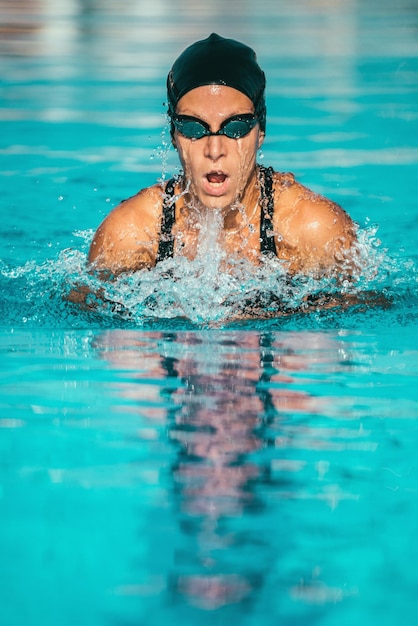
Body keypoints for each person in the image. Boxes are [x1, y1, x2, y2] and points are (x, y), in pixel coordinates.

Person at [88, 33, 356, 281]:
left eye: (235, 127)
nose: (215, 150)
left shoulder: (313, 229)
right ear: (173, 135)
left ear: (260, 131)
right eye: (193, 128)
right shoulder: (132, 233)